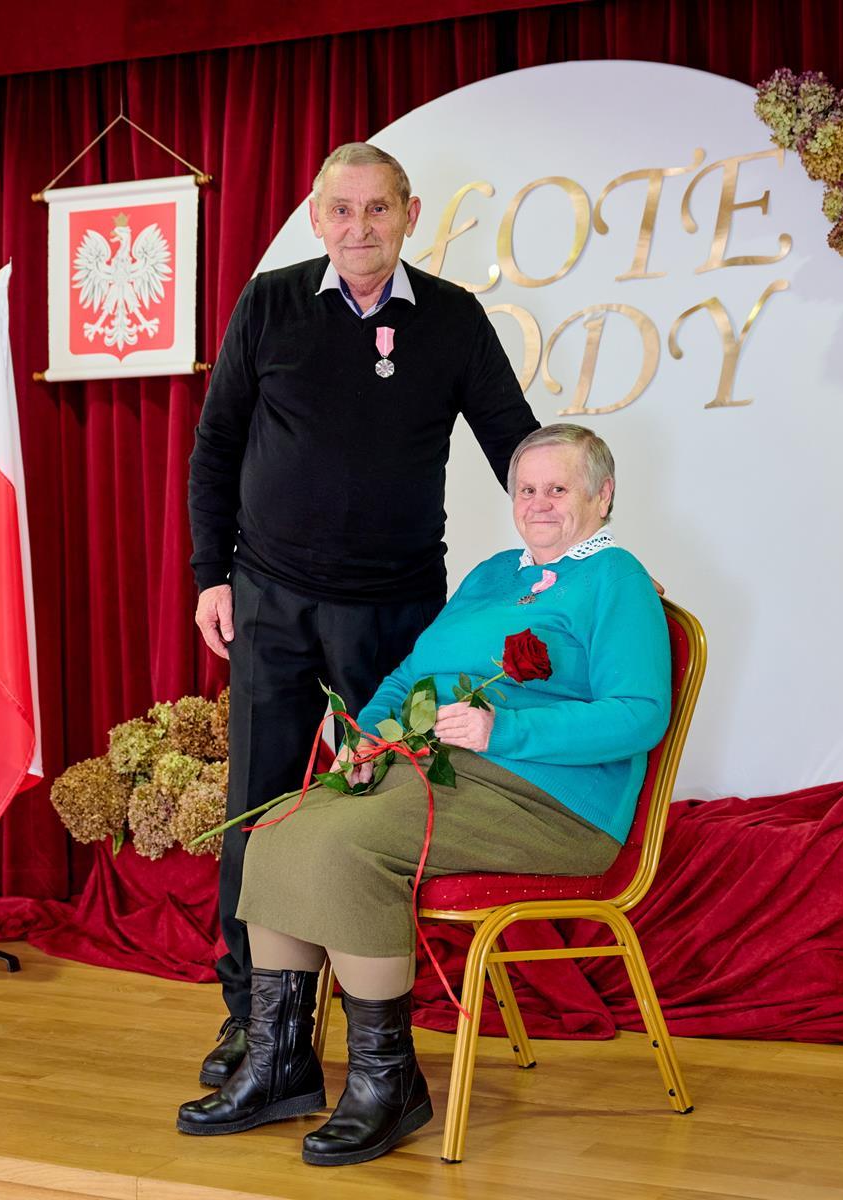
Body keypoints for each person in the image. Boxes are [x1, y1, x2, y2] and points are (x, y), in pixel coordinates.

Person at [177, 424, 671, 1166]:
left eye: (558, 488)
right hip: (438, 770)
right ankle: (278, 1064)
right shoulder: (492, 575)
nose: (538, 503)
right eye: (526, 489)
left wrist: (504, 730)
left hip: (548, 803)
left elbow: (639, 715)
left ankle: (387, 1081)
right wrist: (366, 735)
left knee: (347, 844)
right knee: (278, 825)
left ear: (603, 496)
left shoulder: (618, 579)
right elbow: (411, 676)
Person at [187, 142, 539, 1089]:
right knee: (259, 810)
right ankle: (257, 1025)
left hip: (395, 612)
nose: (359, 228)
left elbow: (517, 446)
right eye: (341, 211)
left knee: (381, 808)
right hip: (269, 601)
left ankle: (378, 1029)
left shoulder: (454, 320)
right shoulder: (269, 304)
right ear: (317, 218)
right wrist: (211, 576)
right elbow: (216, 447)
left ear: (410, 215)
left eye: (378, 209)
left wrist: (579, 549)